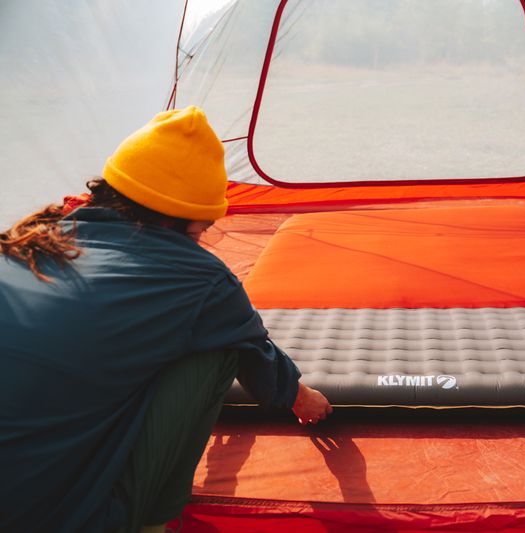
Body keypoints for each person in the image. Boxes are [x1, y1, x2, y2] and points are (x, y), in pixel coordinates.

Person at [0, 106, 332, 533]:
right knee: (217, 349)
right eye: (202, 229)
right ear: (178, 219)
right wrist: (305, 399)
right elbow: (259, 359)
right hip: (58, 517)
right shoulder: (201, 278)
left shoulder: (25, 242)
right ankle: (154, 523)